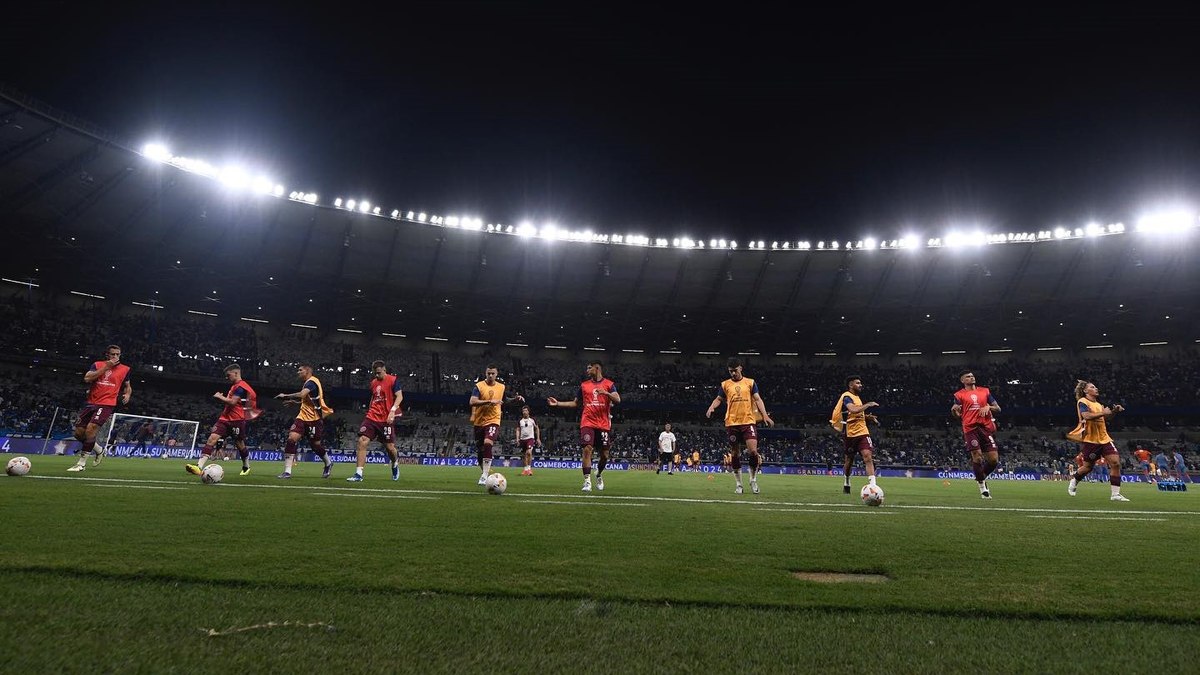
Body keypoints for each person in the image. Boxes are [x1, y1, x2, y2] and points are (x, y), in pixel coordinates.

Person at [548, 360, 619, 492]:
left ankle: (598, 474)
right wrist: (558, 404)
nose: (587, 370)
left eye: (589, 368)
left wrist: (606, 393)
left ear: (597, 368)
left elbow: (618, 399)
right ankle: (587, 481)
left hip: (603, 424)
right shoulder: (584, 386)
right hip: (587, 422)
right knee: (587, 449)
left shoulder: (609, 384)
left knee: (605, 455)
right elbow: (576, 403)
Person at [706, 357, 774, 495]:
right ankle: (738, 484)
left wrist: (765, 415)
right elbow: (718, 399)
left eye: (735, 370)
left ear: (740, 368)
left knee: (753, 452)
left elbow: (758, 399)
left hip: (748, 421)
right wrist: (712, 407)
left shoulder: (750, 382)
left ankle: (753, 479)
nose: (733, 374)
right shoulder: (725, 384)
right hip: (732, 423)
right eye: (730, 371)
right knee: (735, 453)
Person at [187, 363, 259, 477]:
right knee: (212, 439)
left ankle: (246, 466)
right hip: (224, 418)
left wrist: (220, 397)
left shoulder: (241, 387)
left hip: (237, 420)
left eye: (228, 375)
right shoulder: (234, 386)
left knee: (239, 444)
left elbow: (233, 402)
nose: (227, 378)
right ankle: (198, 467)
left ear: (236, 373)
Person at [68, 345, 132, 472]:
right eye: (113, 354)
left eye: (118, 354)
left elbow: (127, 386)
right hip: (91, 402)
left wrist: (128, 393)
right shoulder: (97, 365)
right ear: (107, 355)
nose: (115, 357)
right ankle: (99, 450)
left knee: (91, 429)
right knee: (78, 433)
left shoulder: (125, 369)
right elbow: (87, 378)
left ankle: (81, 464)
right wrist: (106, 367)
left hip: (107, 403)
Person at [1066, 380, 1128, 501]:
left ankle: (1115, 494)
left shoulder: (1099, 405)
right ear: (1085, 391)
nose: (1096, 388)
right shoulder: (1082, 401)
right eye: (1092, 387)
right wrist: (1102, 413)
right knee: (1088, 467)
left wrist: (1114, 411)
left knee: (1115, 463)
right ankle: (1074, 480)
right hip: (1091, 440)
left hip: (1104, 438)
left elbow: (1107, 418)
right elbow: (1086, 416)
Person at [274, 364, 334, 479]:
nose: (298, 372)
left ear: (307, 371)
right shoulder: (309, 383)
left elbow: (302, 395)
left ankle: (328, 463)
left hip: (314, 419)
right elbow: (308, 401)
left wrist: (285, 395)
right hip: (302, 418)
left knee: (315, 446)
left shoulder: (311, 382)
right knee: (291, 439)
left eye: (300, 370)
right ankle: (287, 471)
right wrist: (295, 403)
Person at [347, 360, 403, 482]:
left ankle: (394, 464)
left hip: (386, 419)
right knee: (362, 441)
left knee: (390, 448)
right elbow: (373, 398)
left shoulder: (393, 380)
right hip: (372, 417)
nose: (377, 375)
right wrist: (369, 410)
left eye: (378, 373)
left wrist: (393, 411)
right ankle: (358, 474)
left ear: (384, 370)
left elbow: (399, 396)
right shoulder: (373, 383)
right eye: (375, 373)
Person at [950, 370, 1001, 499]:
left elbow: (998, 408)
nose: (971, 377)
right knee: (977, 457)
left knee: (994, 460)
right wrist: (954, 411)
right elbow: (956, 413)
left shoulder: (985, 391)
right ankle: (982, 487)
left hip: (985, 428)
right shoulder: (959, 395)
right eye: (968, 376)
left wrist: (988, 407)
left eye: (972, 376)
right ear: (963, 381)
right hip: (970, 428)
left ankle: (980, 476)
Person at [470, 365, 524, 485]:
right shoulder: (479, 386)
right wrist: (489, 401)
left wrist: (515, 399)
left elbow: (505, 400)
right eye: (488, 373)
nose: (490, 375)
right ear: (485, 373)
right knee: (480, 449)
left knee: (488, 443)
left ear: (496, 374)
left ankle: (484, 475)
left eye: (492, 373)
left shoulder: (501, 387)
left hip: (494, 420)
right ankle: (484, 471)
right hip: (479, 422)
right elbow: (472, 401)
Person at [829, 375, 880, 495]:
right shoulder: (847, 396)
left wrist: (867, 417)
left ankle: (873, 486)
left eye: (860, 383)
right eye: (857, 383)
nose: (860, 385)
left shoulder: (857, 397)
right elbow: (852, 409)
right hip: (850, 434)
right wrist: (868, 405)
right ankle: (846, 481)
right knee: (849, 461)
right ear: (851, 385)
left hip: (863, 431)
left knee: (867, 456)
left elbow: (857, 413)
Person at [516, 405, 540, 476]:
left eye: (526, 410)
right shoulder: (520, 421)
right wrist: (517, 438)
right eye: (523, 411)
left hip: (530, 438)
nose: (524, 412)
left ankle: (529, 469)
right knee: (524, 455)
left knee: (529, 452)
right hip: (522, 439)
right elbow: (517, 429)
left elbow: (537, 428)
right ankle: (525, 469)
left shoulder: (532, 420)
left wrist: (538, 438)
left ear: (528, 412)